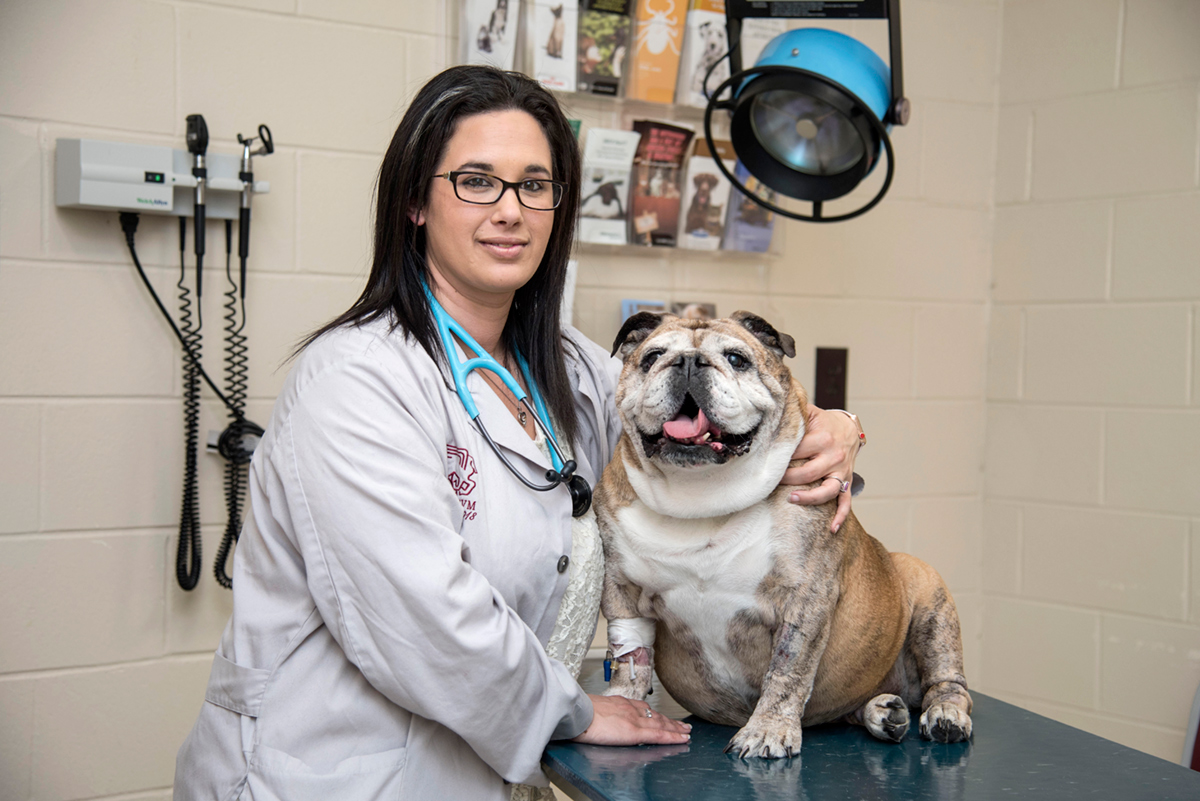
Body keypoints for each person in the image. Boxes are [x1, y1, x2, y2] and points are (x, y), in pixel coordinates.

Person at [174, 65, 862, 800]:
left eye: (536, 185)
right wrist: (571, 711)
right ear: (414, 200)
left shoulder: (565, 367)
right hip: (332, 772)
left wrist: (836, 427)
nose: (511, 210)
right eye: (477, 180)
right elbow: (425, 620)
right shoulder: (354, 380)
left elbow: (686, 415)